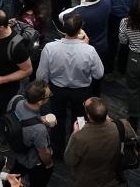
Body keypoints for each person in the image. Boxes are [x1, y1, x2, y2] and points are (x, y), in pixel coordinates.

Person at [37, 14, 104, 154]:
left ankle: (57, 149)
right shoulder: (89, 50)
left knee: (56, 119)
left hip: (57, 90)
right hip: (82, 91)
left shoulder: (49, 48)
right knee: (80, 120)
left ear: (63, 28)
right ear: (80, 30)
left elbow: (41, 75)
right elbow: (99, 74)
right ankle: (76, 148)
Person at [64, 97, 137, 187]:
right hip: (111, 177)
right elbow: (135, 145)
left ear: (88, 115)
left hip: (87, 182)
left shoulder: (79, 136)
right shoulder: (122, 125)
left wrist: (74, 133)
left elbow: (69, 160)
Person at [7, 80, 54, 187]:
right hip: (32, 161)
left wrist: (39, 118)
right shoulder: (39, 130)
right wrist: (48, 164)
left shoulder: (16, 99)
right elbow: (43, 153)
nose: (50, 96)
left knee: (15, 173)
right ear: (40, 101)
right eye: (49, 96)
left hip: (17, 150)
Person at [119, 0, 140, 131]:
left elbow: (123, 41)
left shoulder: (125, 22)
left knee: (133, 89)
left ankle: (134, 118)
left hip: (135, 59)